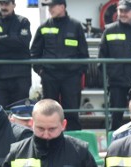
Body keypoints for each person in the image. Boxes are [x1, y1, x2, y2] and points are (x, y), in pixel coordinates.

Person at [30, 0, 88, 132]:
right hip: (50, 76)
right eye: (49, 6)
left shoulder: (76, 26)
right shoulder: (44, 27)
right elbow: (34, 52)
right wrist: (41, 71)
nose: (50, 9)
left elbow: (84, 53)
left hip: (71, 77)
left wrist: (78, 73)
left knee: (72, 112)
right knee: (49, 112)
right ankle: (50, 139)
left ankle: (74, 140)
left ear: (62, 7)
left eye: (52, 6)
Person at [99, 0, 131, 130]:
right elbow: (101, 58)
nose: (123, 14)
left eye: (126, 11)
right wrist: (110, 74)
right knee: (116, 115)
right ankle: (114, 145)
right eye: (121, 11)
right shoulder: (109, 31)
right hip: (117, 82)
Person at [0, 0, 31, 108]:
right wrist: (12, 39)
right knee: (0, 113)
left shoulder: (23, 22)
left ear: (14, 5)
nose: (4, 6)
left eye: (7, 4)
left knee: (20, 112)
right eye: (1, 3)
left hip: (20, 76)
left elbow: (23, 43)